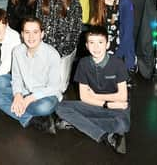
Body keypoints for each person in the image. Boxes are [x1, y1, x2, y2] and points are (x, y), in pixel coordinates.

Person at [55, 25, 129, 155]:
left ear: (107, 44)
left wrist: (95, 96)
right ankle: (106, 136)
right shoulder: (83, 63)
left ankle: (75, 123)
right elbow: (84, 97)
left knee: (122, 125)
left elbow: (122, 96)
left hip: (117, 108)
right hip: (99, 106)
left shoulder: (118, 64)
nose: (96, 47)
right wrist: (107, 104)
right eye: (92, 43)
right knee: (59, 107)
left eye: (100, 42)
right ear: (87, 46)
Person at [0, 17, 61, 134]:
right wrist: (17, 95)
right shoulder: (17, 51)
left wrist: (28, 100)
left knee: (44, 107)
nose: (31, 37)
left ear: (42, 34)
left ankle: (12, 110)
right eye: (27, 32)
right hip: (25, 92)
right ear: (22, 34)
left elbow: (54, 87)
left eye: (35, 32)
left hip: (44, 96)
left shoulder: (52, 54)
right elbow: (16, 78)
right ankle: (32, 119)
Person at [35, 0, 82, 93]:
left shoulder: (73, 3)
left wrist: (55, 56)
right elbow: (38, 25)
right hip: (44, 47)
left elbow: (73, 36)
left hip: (62, 52)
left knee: (58, 88)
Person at [89, 0, 136, 71]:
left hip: (121, 51)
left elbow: (127, 36)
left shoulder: (125, 3)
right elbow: (95, 29)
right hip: (102, 47)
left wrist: (114, 59)